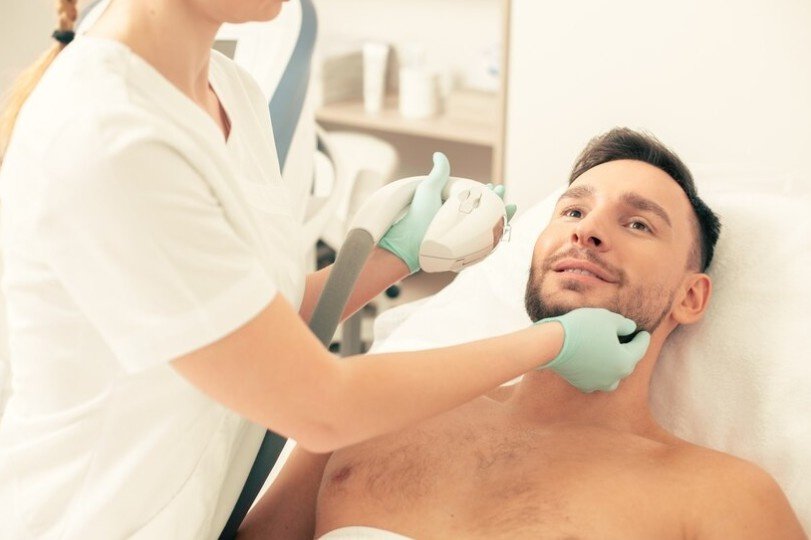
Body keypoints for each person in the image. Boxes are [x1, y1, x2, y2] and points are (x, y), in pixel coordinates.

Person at [0, 2, 650, 538]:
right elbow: (319, 407)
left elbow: (246, 326)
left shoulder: (229, 92)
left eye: (641, 222)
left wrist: (390, 257)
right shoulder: (110, 138)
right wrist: (552, 342)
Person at [239, 128, 807, 539]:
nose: (588, 234)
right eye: (573, 212)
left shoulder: (720, 497)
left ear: (691, 297)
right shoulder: (372, 409)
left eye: (637, 223)